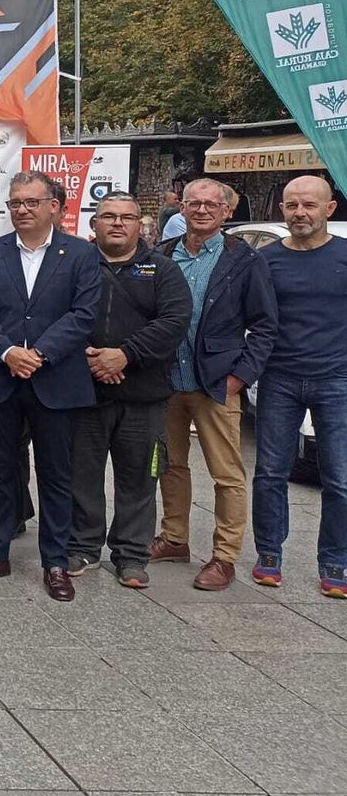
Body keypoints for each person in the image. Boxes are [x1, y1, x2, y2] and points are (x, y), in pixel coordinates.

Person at [0, 170, 101, 601]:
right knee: (1, 471)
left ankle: (56, 562)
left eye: (31, 202)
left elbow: (84, 314)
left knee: (56, 475)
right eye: (15, 203)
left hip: (55, 379)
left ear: (54, 206)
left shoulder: (80, 254)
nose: (21, 210)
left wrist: (39, 353)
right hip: (1, 377)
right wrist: (8, 353)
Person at [152, 178, 275, 590]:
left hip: (216, 383)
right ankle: (174, 538)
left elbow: (264, 326)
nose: (201, 210)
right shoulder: (162, 254)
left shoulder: (244, 260)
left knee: (226, 474)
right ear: (181, 210)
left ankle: (224, 557)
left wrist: (239, 377)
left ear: (226, 212)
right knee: (170, 465)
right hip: (167, 380)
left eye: (211, 205)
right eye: (193, 204)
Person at [69, 192, 190, 588]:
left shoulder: (163, 270)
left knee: (139, 478)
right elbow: (58, 314)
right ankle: (83, 545)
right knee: (82, 475)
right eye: (108, 216)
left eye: (127, 217)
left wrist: (125, 355)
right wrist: (90, 359)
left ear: (142, 226)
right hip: (85, 393)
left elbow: (174, 322)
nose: (117, 223)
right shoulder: (75, 264)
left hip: (144, 396)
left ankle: (131, 555)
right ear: (95, 224)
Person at [252, 175, 347, 596]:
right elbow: (253, 319)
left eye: (309, 205)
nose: (299, 213)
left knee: (340, 477)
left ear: (330, 209)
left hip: (337, 380)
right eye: (292, 205)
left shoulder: (345, 255)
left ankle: (335, 561)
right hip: (279, 378)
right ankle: (269, 553)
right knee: (270, 472)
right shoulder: (267, 260)